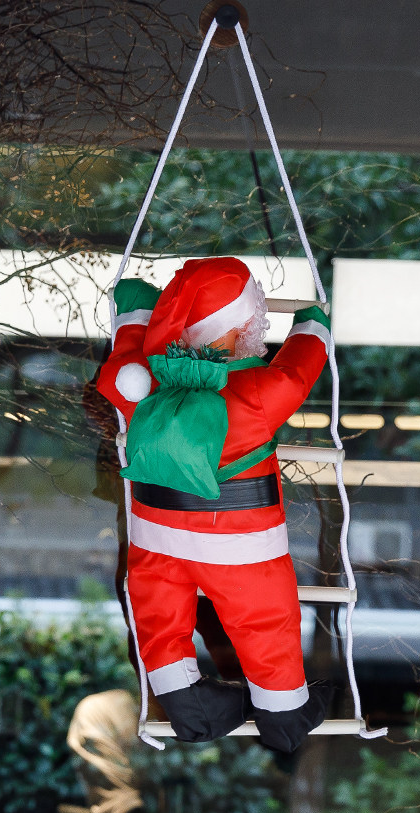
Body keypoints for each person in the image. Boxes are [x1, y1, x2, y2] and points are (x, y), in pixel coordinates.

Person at [94, 256, 334, 753]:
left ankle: (190, 707)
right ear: (241, 327)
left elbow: (127, 349)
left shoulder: (140, 382)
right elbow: (298, 369)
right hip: (240, 546)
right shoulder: (256, 392)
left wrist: (136, 307)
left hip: (156, 541)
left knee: (160, 622)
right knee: (264, 626)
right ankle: (284, 714)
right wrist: (312, 325)